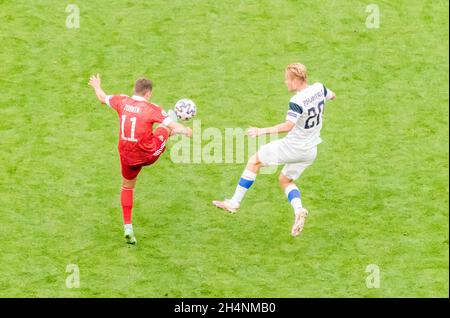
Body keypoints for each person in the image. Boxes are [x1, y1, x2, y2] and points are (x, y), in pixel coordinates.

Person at [213, 63, 336, 236]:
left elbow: (288, 126)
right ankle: (298, 210)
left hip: (293, 147)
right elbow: (333, 96)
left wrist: (261, 131)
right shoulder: (319, 88)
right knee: (285, 180)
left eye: (287, 79)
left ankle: (234, 203)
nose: (285, 82)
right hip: (310, 151)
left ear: (295, 80)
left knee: (254, 161)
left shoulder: (296, 101)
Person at [88, 74, 192, 244]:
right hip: (146, 154)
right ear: (148, 93)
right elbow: (174, 128)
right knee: (164, 128)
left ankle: (128, 227)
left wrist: (96, 86)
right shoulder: (152, 108)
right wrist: (186, 131)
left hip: (126, 154)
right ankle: (173, 115)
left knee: (127, 186)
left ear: (134, 90)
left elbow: (101, 97)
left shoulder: (122, 101)